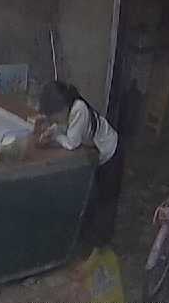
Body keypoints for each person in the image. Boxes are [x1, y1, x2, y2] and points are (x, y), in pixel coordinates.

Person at [36, 81, 121, 247]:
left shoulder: (79, 109)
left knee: (107, 199)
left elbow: (72, 143)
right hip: (97, 153)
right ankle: (89, 236)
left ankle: (101, 243)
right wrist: (53, 131)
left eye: (53, 116)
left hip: (111, 152)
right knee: (95, 195)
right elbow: (67, 127)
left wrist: (54, 137)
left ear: (62, 108)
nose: (53, 120)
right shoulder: (70, 108)